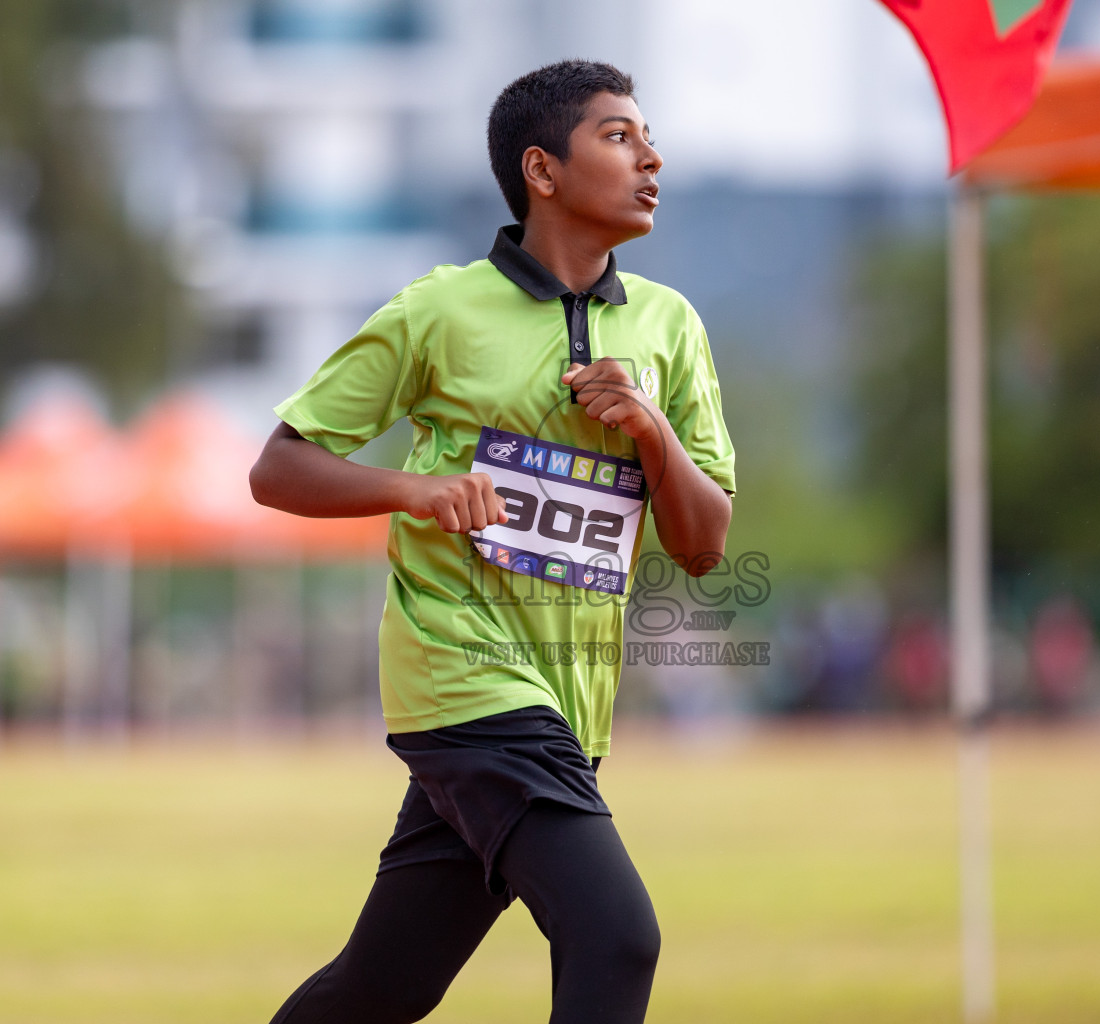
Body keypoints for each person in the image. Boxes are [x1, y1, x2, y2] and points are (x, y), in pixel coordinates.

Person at [248, 59, 736, 1024]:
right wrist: (416, 489)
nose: (652, 158)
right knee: (615, 936)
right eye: (619, 136)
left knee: (382, 988)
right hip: (462, 676)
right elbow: (279, 469)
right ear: (541, 171)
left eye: (646, 137)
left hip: (569, 702)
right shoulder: (439, 310)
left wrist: (652, 430)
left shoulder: (671, 327)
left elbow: (704, 543)